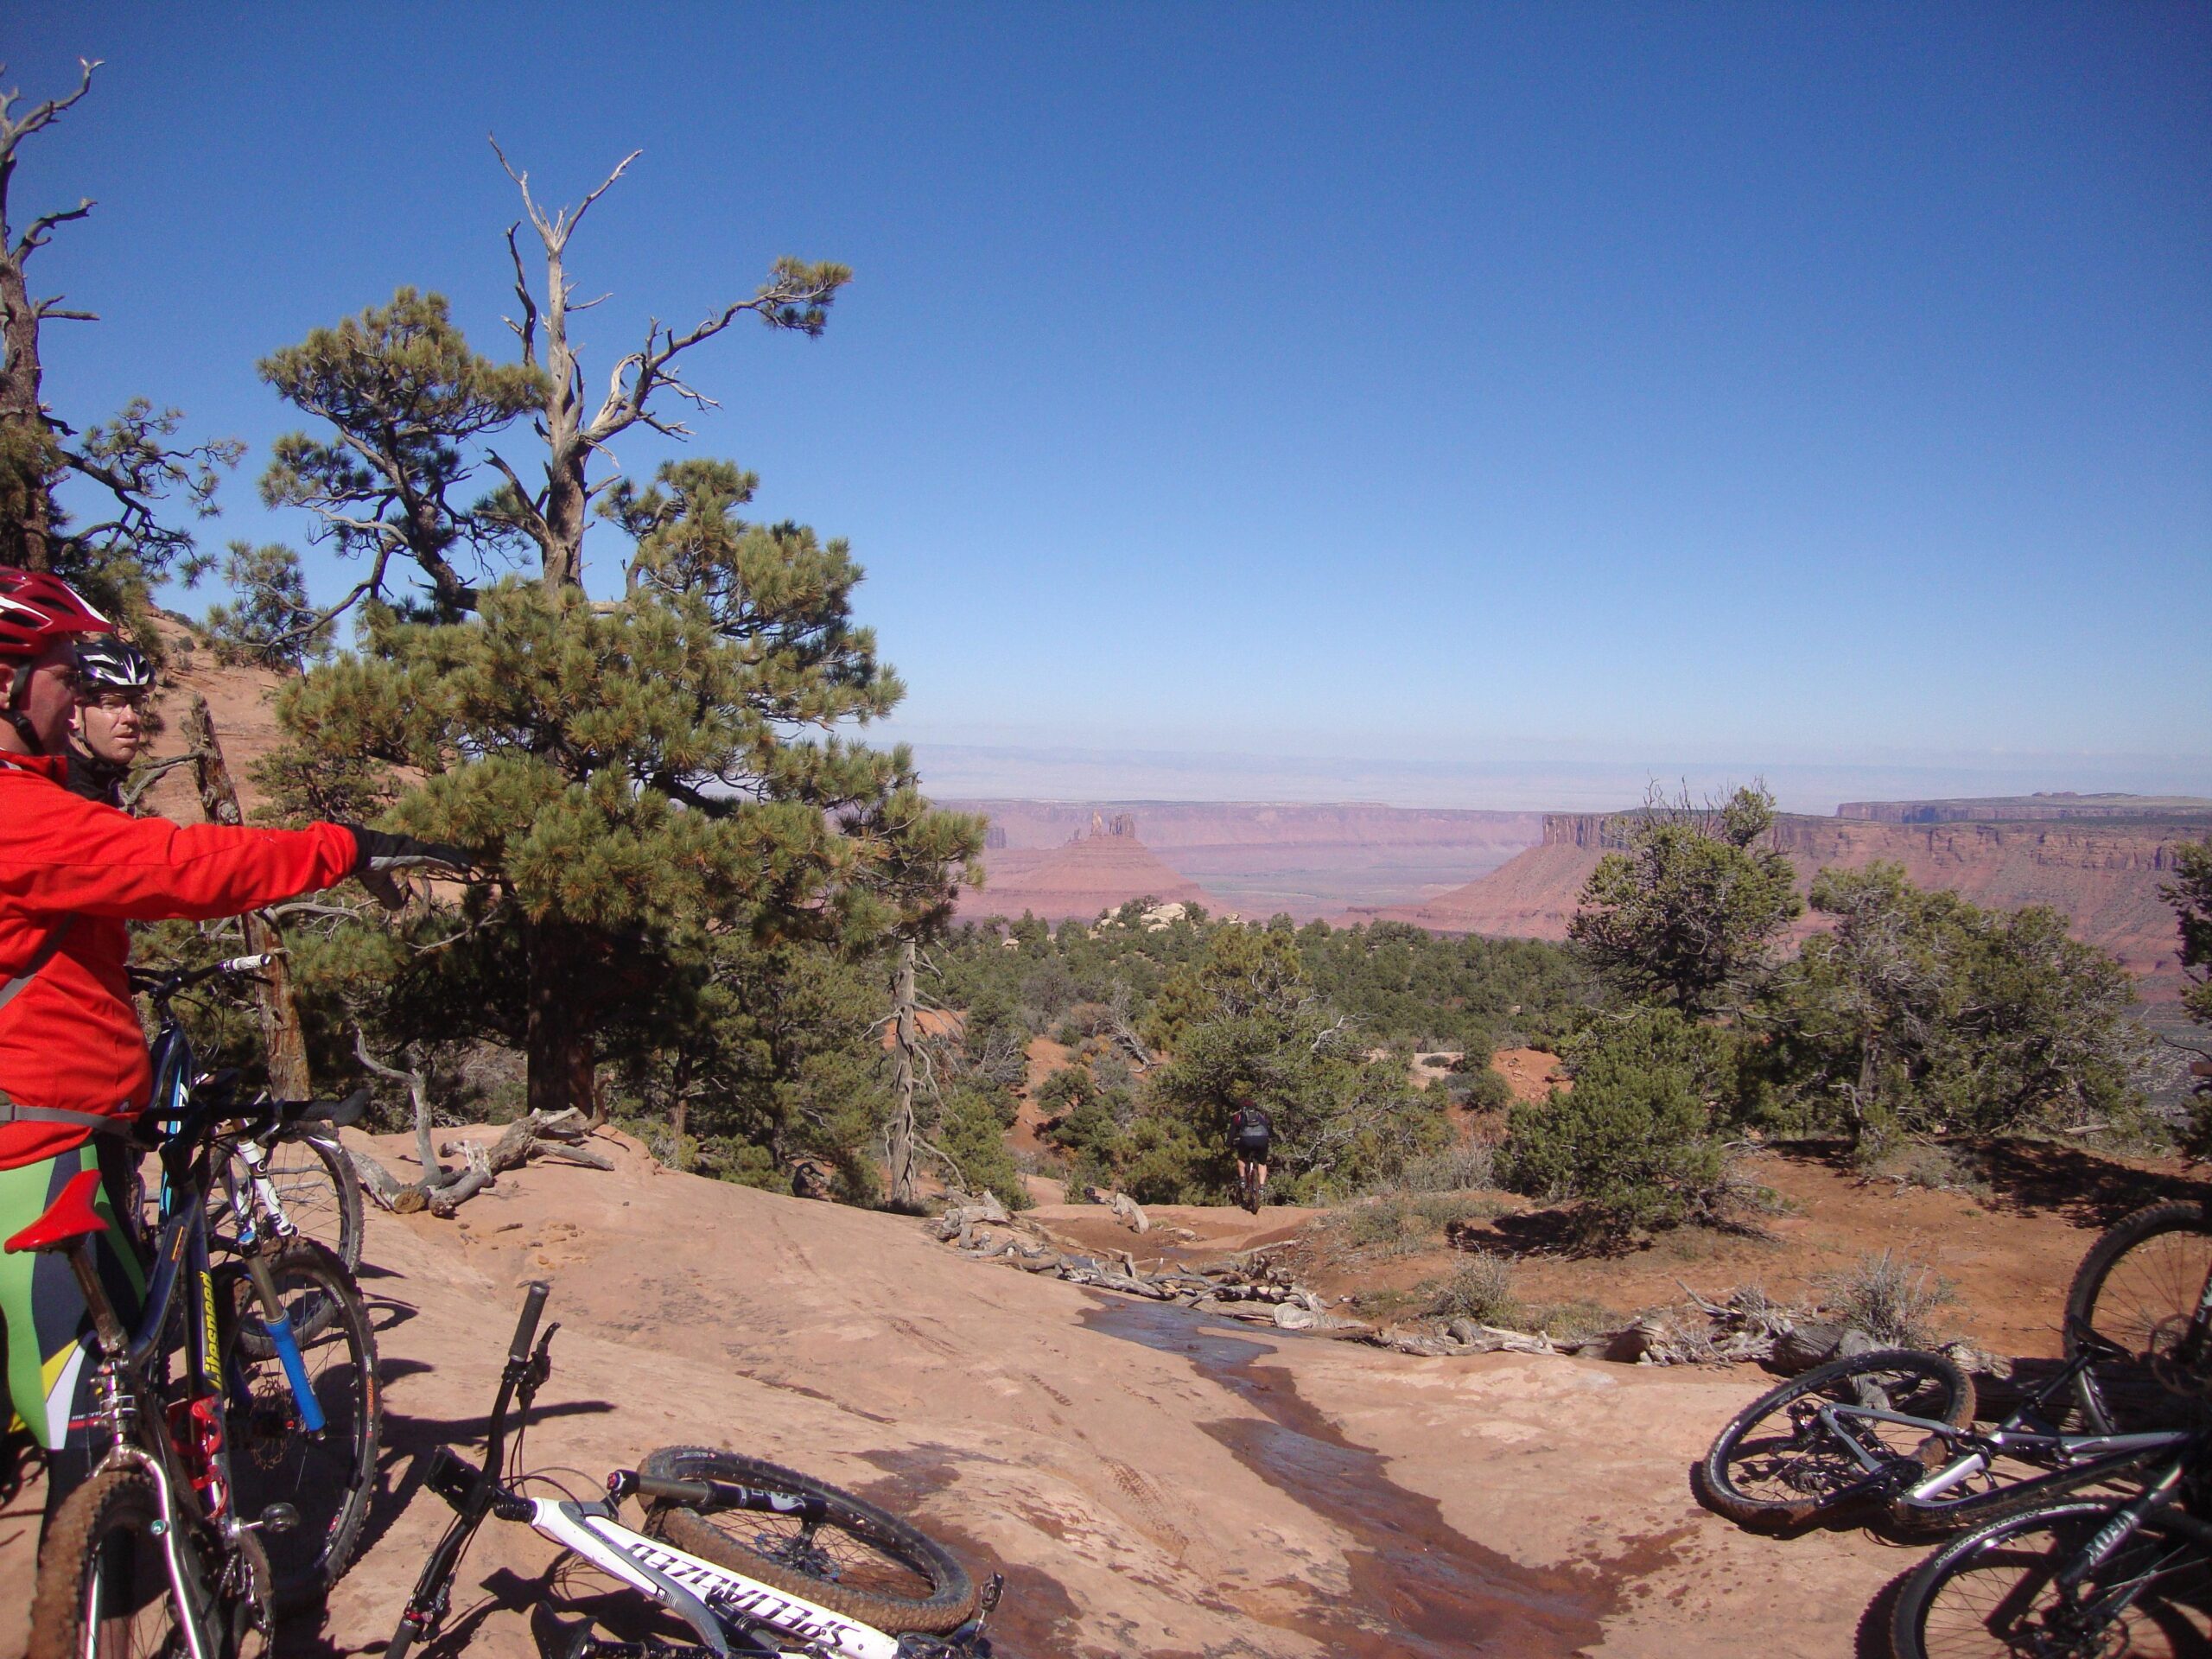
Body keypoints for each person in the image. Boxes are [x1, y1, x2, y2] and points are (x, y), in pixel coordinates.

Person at [0, 569, 467, 1537]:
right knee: (90, 1439)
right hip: (35, 1154)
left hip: (66, 1130)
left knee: (106, 1375)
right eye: (56, 669)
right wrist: (339, 847)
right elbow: (180, 868)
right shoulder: (16, 813)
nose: (70, 690)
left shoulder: (35, 799)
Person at [61, 633, 154, 808]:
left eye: (136, 704)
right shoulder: (60, 796)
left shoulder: (99, 783)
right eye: (111, 704)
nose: (131, 718)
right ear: (74, 712)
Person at [1229, 1092, 1272, 1211]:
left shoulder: (1239, 1116)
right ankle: (1262, 1186)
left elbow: (1232, 1132)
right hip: (1262, 1139)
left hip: (1246, 1140)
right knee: (1262, 1163)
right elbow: (1268, 1127)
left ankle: (1243, 1179)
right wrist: (1268, 1138)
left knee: (1241, 1157)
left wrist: (1229, 1143)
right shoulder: (1261, 1115)